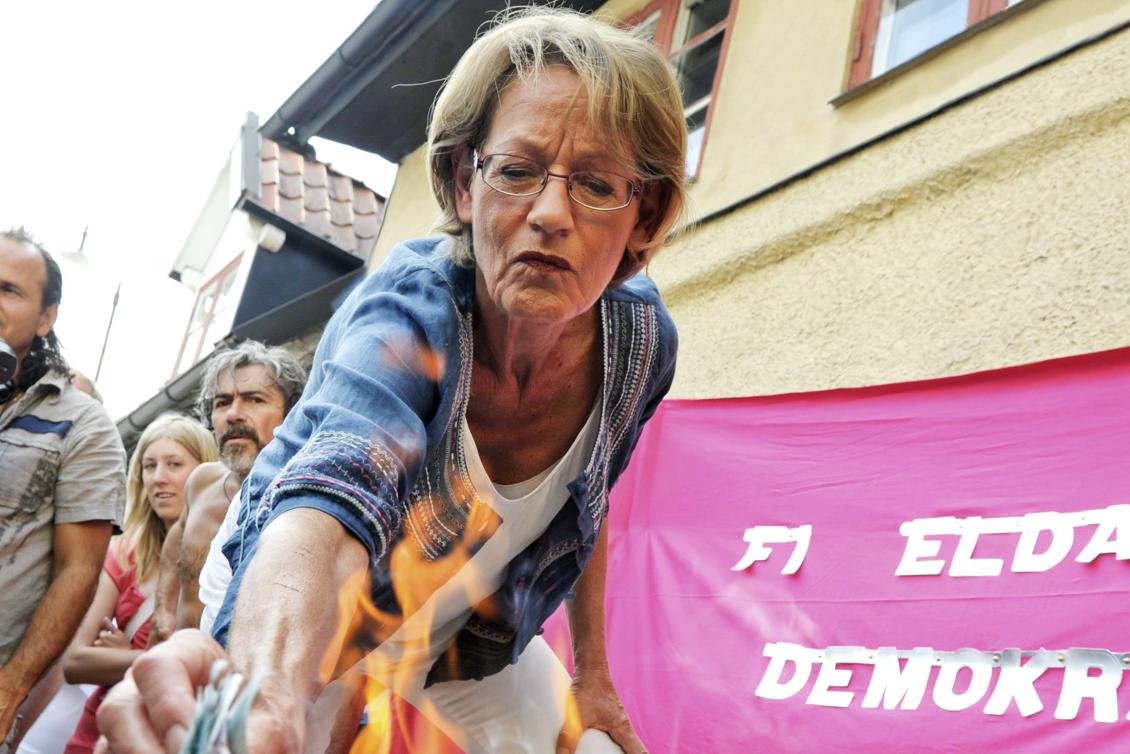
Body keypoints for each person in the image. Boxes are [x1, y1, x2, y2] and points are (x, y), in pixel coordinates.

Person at [97, 7, 686, 754]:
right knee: (283, 733)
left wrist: (594, 673)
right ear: (464, 185)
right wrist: (267, 690)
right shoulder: (411, 309)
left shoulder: (640, 346)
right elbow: (331, 503)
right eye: (515, 171)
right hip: (307, 594)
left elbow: (590, 499)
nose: (548, 213)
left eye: (597, 184)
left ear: (646, 214)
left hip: (470, 633)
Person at [0, 230, 126, 752]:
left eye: (8, 289)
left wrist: (11, 691)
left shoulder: (85, 426)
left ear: (46, 317)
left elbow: (79, 572)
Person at [60, 414, 217, 753]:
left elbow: (217, 671)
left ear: (205, 472)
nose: (158, 478)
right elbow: (74, 662)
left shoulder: (226, 557)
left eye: (174, 464)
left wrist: (130, 657)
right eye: (149, 466)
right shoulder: (126, 551)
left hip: (172, 738)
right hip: (96, 733)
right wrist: (155, 661)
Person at [146, 341, 306, 644]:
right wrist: (164, 612)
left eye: (254, 400)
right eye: (221, 403)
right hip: (182, 675)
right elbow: (174, 550)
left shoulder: (300, 502)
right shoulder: (202, 482)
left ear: (292, 412)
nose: (233, 415)